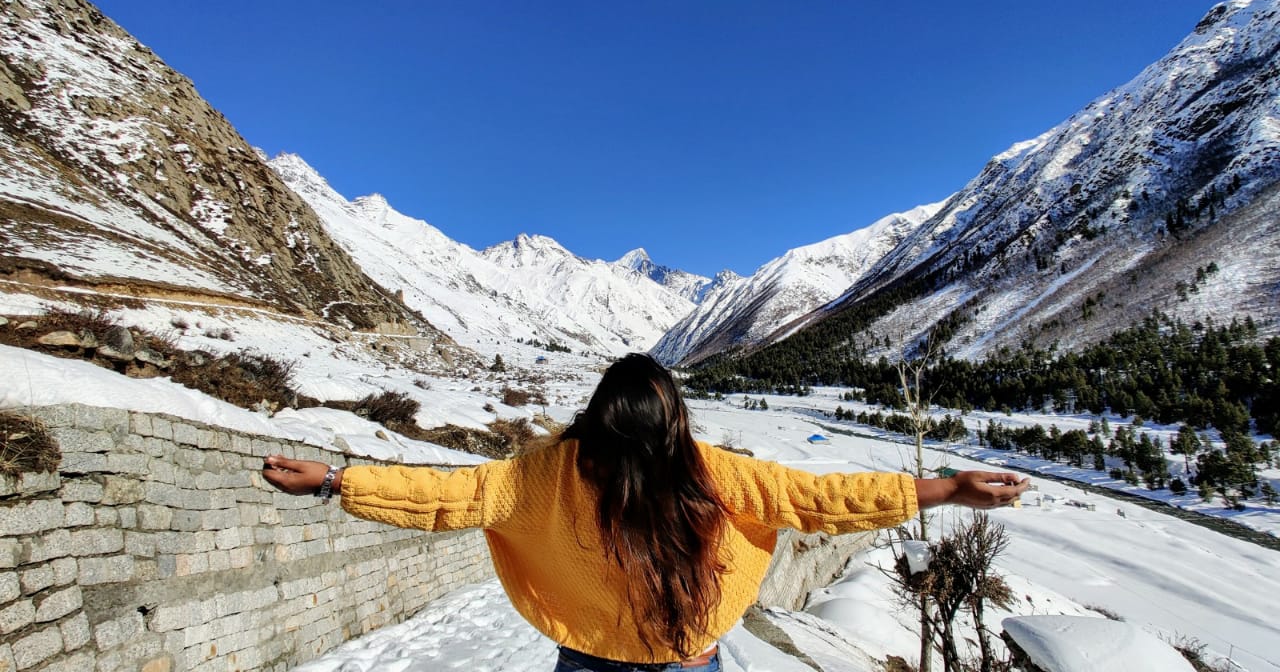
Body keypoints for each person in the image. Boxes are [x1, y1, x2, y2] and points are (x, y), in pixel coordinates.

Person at [263, 353, 1027, 672]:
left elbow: (445, 497)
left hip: (588, 658)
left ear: (600, 415)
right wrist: (949, 488)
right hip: (687, 659)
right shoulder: (713, 471)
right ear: (674, 420)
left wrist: (336, 481)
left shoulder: (546, 474)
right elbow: (825, 502)